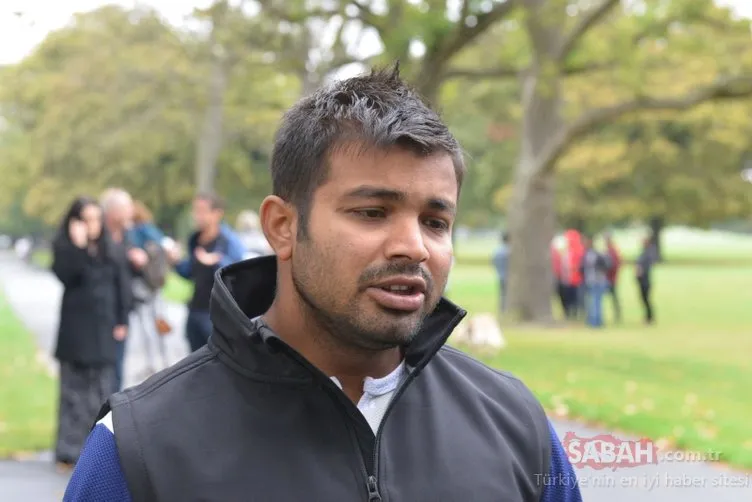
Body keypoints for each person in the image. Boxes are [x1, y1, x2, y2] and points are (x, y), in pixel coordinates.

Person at [63, 66, 582, 502]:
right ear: (282, 227)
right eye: (373, 211)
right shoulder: (140, 448)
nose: (414, 246)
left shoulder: (516, 426)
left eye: (435, 222)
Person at [51, 197, 131, 472]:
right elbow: (66, 275)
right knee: (73, 395)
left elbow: (122, 286)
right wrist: (79, 245)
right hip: (75, 333)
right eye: (86, 219)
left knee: (100, 393)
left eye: (96, 219)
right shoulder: (67, 248)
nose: (92, 225)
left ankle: (96, 450)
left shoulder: (111, 249)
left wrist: (122, 319)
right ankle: (68, 450)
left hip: (103, 332)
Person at [166, 192, 246, 352]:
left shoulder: (228, 241)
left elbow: (237, 273)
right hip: (195, 310)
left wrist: (215, 261)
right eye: (195, 211)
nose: (197, 216)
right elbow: (190, 272)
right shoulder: (195, 239)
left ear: (217, 213)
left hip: (216, 315)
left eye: (202, 211)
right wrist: (175, 261)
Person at [100, 188, 144, 391]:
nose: (131, 211)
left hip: (122, 313)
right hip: (104, 315)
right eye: (126, 207)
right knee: (105, 370)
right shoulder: (100, 239)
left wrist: (137, 263)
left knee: (117, 370)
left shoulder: (126, 236)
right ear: (113, 211)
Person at [580, 235, 610, 328]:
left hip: (598, 281)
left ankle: (596, 321)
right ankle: (593, 320)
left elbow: (606, 265)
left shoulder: (596, 254)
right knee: (593, 301)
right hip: (590, 281)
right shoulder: (586, 254)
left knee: (596, 301)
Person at [636, 236, 657, 324]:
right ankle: (648, 317)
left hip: (645, 280)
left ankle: (649, 317)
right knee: (644, 299)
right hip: (642, 280)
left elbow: (644, 266)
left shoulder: (648, 253)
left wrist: (640, 271)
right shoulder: (644, 252)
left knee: (646, 299)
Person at [603, 231, 622, 323]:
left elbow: (615, 264)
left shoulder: (612, 251)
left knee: (613, 297)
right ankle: (617, 314)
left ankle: (618, 314)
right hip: (609, 278)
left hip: (611, 278)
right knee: (613, 297)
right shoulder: (609, 250)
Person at [491, 231, 510, 314]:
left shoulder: (497, 250)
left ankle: (502, 309)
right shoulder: (509, 251)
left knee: (502, 294)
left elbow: (493, 262)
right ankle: (505, 309)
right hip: (507, 276)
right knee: (506, 294)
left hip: (500, 275)